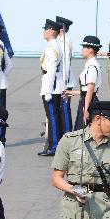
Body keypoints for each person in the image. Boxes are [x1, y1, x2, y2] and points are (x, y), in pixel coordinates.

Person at [38, 18, 63, 156]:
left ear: (52, 31)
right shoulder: (55, 45)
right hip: (53, 84)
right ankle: (54, 144)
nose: (44, 32)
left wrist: (48, 90)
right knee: (54, 116)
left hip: (51, 86)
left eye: (46, 29)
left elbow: (52, 69)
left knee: (53, 117)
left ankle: (54, 146)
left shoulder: (52, 47)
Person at [67, 36, 103, 130]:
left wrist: (86, 109)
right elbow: (86, 90)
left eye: (84, 48)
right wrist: (71, 92)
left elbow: (90, 90)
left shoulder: (92, 66)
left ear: (90, 50)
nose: (82, 50)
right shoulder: (90, 64)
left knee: (83, 131)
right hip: (86, 100)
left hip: (88, 102)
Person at [56, 16, 76, 134]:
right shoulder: (60, 40)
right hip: (61, 79)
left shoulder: (65, 42)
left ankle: (68, 132)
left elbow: (66, 63)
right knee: (61, 108)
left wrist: (64, 82)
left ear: (62, 28)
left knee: (64, 107)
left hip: (65, 80)